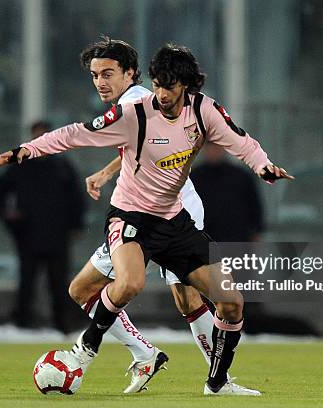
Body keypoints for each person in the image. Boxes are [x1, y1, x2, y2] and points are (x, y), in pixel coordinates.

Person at [0, 44, 293, 396]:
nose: (162, 93)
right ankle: (84, 353)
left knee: (228, 300)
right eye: (159, 84)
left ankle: (216, 382)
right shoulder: (135, 110)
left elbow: (240, 141)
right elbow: (77, 133)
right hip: (131, 216)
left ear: (187, 86)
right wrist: (29, 149)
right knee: (123, 285)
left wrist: (263, 166)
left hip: (176, 218)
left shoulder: (203, 110)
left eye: (170, 86)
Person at [66, 37, 216, 394]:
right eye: (94, 75)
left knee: (186, 297)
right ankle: (148, 354)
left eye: (108, 73)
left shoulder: (136, 99)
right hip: (144, 215)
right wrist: (106, 173)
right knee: (84, 288)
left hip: (168, 213)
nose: (100, 81)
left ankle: (215, 374)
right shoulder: (132, 103)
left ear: (130, 73)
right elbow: (138, 148)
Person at [0, 120, 85, 332]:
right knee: (27, 281)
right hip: (28, 234)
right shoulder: (20, 168)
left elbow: (77, 199)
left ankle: (63, 325)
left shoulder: (63, 168)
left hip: (58, 235)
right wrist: (8, 216)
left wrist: (75, 226)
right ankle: (23, 324)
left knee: (59, 283)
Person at [191, 143, 265, 242]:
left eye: (216, 147)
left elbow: (254, 206)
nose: (213, 151)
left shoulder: (241, 176)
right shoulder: (193, 178)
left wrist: (256, 232)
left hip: (236, 238)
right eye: (210, 147)